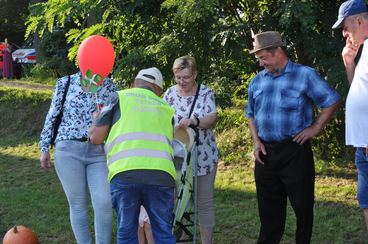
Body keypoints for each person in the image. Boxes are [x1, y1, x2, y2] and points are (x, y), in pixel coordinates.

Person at [245, 31, 340, 244]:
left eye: (263, 57)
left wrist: (315, 128)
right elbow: (250, 113)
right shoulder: (257, 82)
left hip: (295, 152)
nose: (261, 63)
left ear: (278, 51)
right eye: (259, 58)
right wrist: (256, 141)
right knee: (268, 211)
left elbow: (331, 99)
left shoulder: (305, 75)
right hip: (266, 154)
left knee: (303, 208)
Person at [89, 67, 177, 244]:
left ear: (135, 83)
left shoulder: (119, 97)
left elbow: (96, 138)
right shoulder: (167, 108)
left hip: (125, 173)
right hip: (161, 176)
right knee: (163, 231)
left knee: (127, 231)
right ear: (158, 90)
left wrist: (96, 119)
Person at [39, 71, 115, 244]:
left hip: (99, 152)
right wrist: (44, 148)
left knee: (104, 203)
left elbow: (115, 121)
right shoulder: (65, 83)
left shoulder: (110, 86)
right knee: (78, 205)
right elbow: (52, 115)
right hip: (68, 150)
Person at [163, 55, 219, 244]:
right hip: (176, 157)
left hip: (203, 157)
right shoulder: (169, 94)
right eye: (178, 77)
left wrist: (194, 121)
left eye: (186, 77)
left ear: (195, 74)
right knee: (175, 200)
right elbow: (161, 120)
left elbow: (212, 118)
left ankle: (206, 241)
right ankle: (179, 234)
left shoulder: (205, 92)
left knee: (204, 203)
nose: (182, 81)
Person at [332, 0, 368, 231]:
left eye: (345, 26)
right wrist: (349, 64)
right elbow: (359, 90)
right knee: (366, 203)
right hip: (362, 146)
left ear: (359, 20)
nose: (344, 33)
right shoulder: (365, 50)